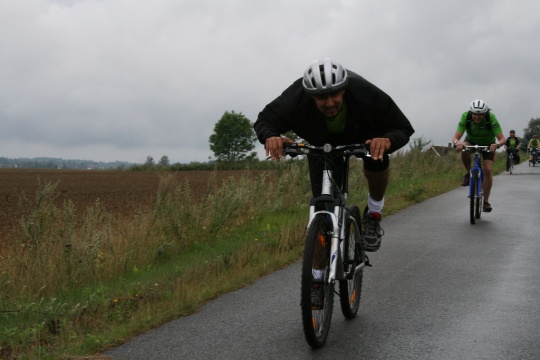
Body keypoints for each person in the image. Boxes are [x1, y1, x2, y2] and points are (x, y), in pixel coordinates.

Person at [254, 58, 414, 253]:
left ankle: (373, 215)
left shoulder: (366, 94)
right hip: (320, 142)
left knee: (377, 158)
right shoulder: (296, 98)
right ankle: (318, 273)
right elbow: (264, 121)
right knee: (322, 206)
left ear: (344, 89)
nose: (329, 103)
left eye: (335, 95)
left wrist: (387, 140)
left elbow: (402, 128)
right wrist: (271, 137)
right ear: (310, 96)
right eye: (322, 98)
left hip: (363, 134)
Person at [452, 99, 505, 212]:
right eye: (475, 114)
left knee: (488, 170)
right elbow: (456, 137)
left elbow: (502, 139)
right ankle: (469, 172)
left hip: (488, 144)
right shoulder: (466, 117)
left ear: (485, 113)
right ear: (471, 112)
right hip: (471, 141)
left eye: (480, 115)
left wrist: (497, 144)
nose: (477, 117)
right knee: (464, 149)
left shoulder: (491, 118)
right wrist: (458, 143)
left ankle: (486, 202)